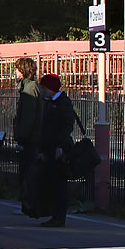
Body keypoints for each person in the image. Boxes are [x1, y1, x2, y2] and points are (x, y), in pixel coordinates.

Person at [36, 73, 77, 227]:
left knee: (59, 184)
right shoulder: (49, 102)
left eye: (44, 87)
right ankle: (54, 215)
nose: (41, 89)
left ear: (50, 88)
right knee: (52, 183)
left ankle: (59, 217)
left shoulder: (61, 103)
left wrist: (60, 146)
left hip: (58, 149)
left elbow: (66, 125)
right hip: (49, 148)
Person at [12, 57, 44, 217]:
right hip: (30, 137)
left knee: (28, 171)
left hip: (30, 139)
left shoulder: (29, 89)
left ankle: (28, 204)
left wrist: (22, 136)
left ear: (23, 70)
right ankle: (27, 203)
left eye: (18, 69)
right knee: (27, 171)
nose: (15, 72)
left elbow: (29, 116)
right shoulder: (27, 86)